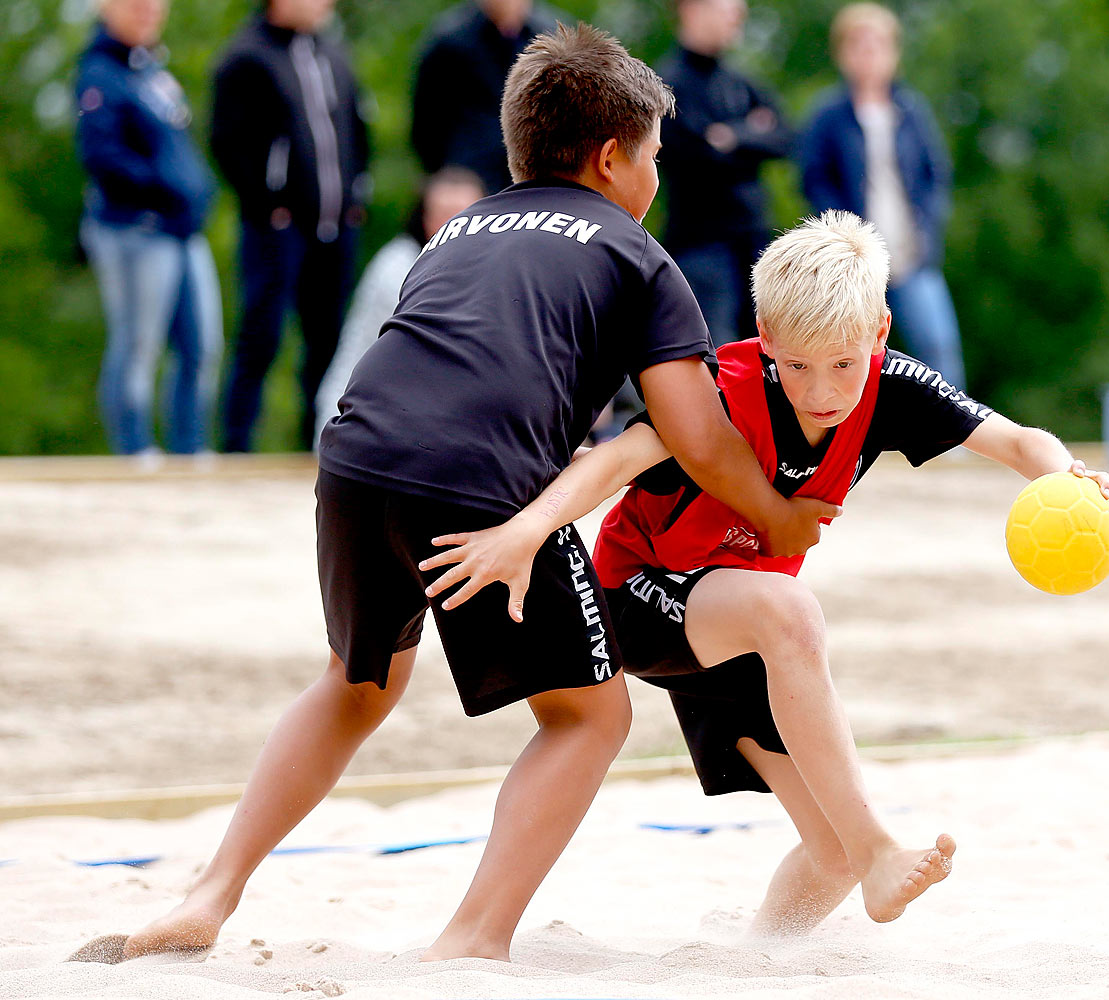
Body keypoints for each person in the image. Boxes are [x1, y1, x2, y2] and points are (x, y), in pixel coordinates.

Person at [70, 24, 832, 967]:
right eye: (656, 159)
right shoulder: (638, 255)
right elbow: (700, 438)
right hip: (480, 482)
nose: (657, 180)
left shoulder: (458, 228)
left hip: (353, 465)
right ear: (609, 159)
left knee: (355, 684)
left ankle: (209, 892)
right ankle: (472, 940)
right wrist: (780, 512)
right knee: (589, 716)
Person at [421, 211, 1109, 933]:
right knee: (793, 612)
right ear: (766, 334)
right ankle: (880, 846)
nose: (822, 391)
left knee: (831, 854)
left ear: (880, 332)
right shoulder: (720, 386)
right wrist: (529, 529)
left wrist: (1068, 477)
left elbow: (1019, 440)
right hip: (636, 594)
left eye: (844, 366)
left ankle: (764, 955)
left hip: (741, 628)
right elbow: (616, 460)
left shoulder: (894, 386)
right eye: (797, 367)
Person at [211, 0, 370, 452]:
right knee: (261, 334)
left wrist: (357, 196)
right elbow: (226, 141)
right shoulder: (246, 57)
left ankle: (316, 444)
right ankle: (236, 445)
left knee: (328, 338)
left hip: (336, 225)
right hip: (277, 227)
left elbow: (357, 128)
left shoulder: (332, 54)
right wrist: (267, 203)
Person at [75, 0, 222, 460]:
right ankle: (135, 450)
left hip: (182, 229)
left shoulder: (152, 71)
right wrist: (168, 188)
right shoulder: (99, 73)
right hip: (135, 230)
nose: (149, 10)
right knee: (138, 343)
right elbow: (102, 157)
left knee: (203, 346)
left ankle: (190, 448)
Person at [799, 3, 965, 387]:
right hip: (854, 259)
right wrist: (839, 233)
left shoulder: (912, 111)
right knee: (849, 352)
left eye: (877, 44)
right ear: (842, 52)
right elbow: (813, 178)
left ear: (894, 52)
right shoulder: (828, 116)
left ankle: (953, 432)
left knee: (937, 343)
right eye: (858, 44)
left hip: (910, 251)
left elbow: (935, 175)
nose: (868, 54)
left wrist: (928, 228)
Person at [311, 167, 485, 450]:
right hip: (360, 423)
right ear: (425, 218)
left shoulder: (482, 266)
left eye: (467, 215)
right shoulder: (399, 268)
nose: (456, 223)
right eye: (445, 213)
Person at [658, 0, 791, 346]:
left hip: (754, 244)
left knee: (769, 357)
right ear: (691, 8)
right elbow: (695, 154)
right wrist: (751, 132)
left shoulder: (741, 82)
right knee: (717, 359)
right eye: (726, 5)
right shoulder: (668, 85)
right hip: (700, 248)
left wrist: (731, 136)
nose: (738, 13)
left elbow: (785, 137)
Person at [411, 0, 558, 193]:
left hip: (535, 180)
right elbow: (426, 124)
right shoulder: (449, 41)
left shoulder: (554, 39)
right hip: (468, 182)